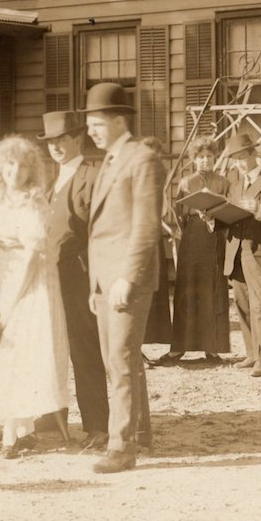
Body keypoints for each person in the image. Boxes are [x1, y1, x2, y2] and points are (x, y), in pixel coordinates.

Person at [0, 135, 71, 459]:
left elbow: (30, 255)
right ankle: (22, 429)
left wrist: (13, 298)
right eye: (11, 164)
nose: (17, 172)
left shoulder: (35, 201)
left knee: (19, 352)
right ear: (0, 167)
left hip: (32, 279)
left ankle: (11, 433)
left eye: (24, 166)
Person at [83, 82, 164, 474]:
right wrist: (95, 284)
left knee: (121, 361)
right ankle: (141, 434)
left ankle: (121, 447)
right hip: (105, 281)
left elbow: (146, 228)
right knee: (119, 361)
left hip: (124, 280)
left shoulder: (142, 159)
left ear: (119, 120)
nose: (91, 131)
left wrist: (126, 279)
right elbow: (101, 231)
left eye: (98, 123)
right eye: (90, 124)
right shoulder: (110, 162)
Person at [41, 110, 109, 451]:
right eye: (51, 142)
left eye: (61, 140)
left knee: (85, 349)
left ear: (77, 138)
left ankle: (97, 424)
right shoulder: (49, 180)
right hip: (48, 279)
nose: (55, 147)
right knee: (49, 346)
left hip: (80, 276)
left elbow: (101, 230)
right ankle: (50, 415)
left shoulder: (91, 176)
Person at [159, 137, 231, 365]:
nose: (205, 161)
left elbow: (229, 210)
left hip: (214, 236)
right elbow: (179, 214)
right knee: (187, 289)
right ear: (193, 159)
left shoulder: (223, 182)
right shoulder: (185, 183)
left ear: (214, 158)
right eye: (200, 157)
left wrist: (214, 217)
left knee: (212, 288)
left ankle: (212, 348)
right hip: (192, 238)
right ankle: (178, 347)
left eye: (209, 157)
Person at [221, 133, 261, 378]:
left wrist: (259, 209)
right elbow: (229, 216)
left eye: (241, 157)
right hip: (235, 251)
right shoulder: (235, 186)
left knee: (260, 306)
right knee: (242, 305)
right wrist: (213, 218)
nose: (238, 164)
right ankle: (251, 354)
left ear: (253, 154)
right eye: (234, 160)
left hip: (260, 252)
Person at [138, 135, 174, 352]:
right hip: (136, 242)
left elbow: (162, 211)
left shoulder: (157, 184)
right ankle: (136, 347)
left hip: (154, 240)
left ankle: (147, 341)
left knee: (155, 291)